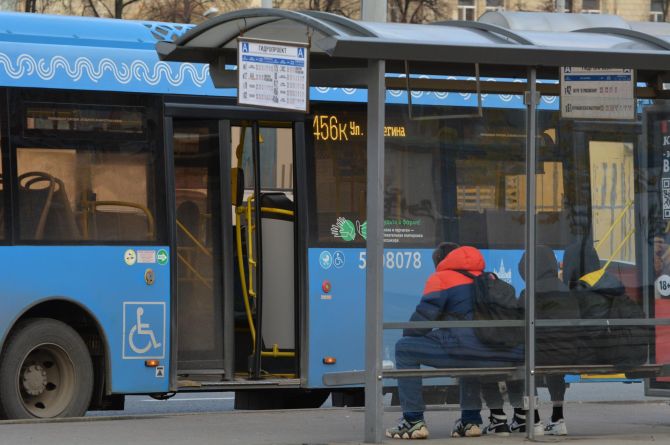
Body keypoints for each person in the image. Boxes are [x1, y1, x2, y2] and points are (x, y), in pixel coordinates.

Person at [385, 243, 524, 440]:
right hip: (499, 350)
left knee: (404, 349)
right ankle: (470, 421)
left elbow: (423, 319)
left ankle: (413, 420)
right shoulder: (489, 277)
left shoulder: (441, 278)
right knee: (469, 355)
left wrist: (408, 333)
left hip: (466, 348)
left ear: (440, 262)